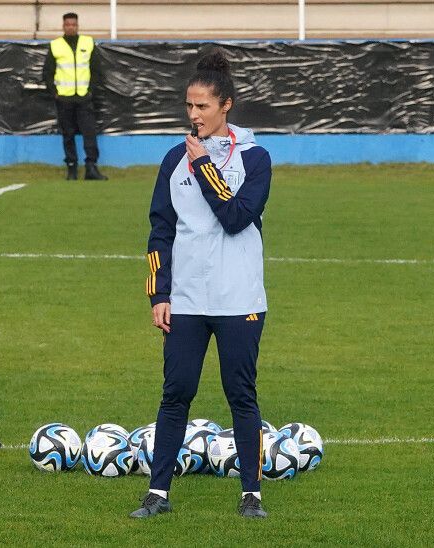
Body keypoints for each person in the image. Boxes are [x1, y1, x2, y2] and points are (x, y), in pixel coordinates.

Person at [131, 49, 272, 519]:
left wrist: (205, 168)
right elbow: (160, 230)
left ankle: (251, 495)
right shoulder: (174, 158)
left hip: (239, 298)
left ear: (225, 105)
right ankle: (158, 494)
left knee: (241, 395)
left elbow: (235, 218)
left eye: (203, 107)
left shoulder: (255, 158)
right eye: (189, 107)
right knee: (176, 394)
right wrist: (160, 293)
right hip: (187, 299)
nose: (194, 116)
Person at [42, 12, 108, 181]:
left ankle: (91, 167)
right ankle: (71, 167)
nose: (71, 27)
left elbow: (96, 70)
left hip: (84, 97)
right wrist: (55, 93)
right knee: (68, 133)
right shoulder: (56, 45)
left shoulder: (88, 42)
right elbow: (48, 73)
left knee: (89, 132)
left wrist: (90, 90)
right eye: (68, 24)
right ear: (63, 26)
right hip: (64, 98)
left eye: (73, 24)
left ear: (77, 26)